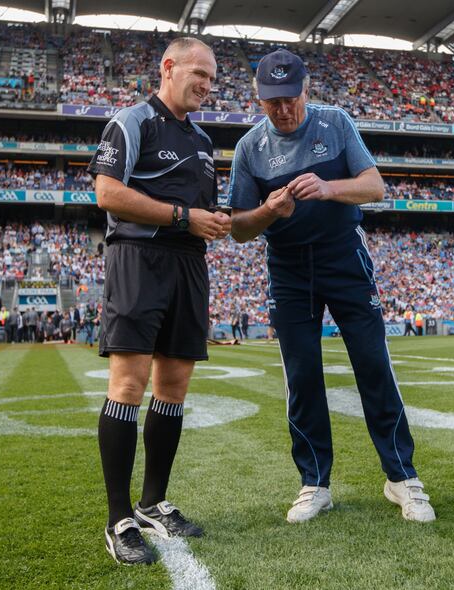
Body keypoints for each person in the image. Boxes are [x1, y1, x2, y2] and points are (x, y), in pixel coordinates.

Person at [228, 49, 435, 525]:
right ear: (259, 100)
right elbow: (239, 227)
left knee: (372, 364)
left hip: (344, 256)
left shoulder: (336, 122)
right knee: (301, 377)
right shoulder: (249, 149)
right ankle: (315, 483)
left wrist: (327, 187)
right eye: (271, 102)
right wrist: (268, 212)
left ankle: (402, 477)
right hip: (288, 267)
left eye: (290, 98)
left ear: (306, 89)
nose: (282, 109)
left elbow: (375, 186)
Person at [87, 37, 230, 566]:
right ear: (168, 68)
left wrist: (236, 217)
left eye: (213, 79)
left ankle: (153, 501)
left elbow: (204, 215)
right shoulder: (131, 122)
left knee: (174, 387)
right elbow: (107, 192)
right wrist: (181, 217)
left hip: (190, 265)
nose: (207, 86)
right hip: (138, 260)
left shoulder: (201, 140)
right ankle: (119, 519)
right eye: (200, 73)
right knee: (128, 383)